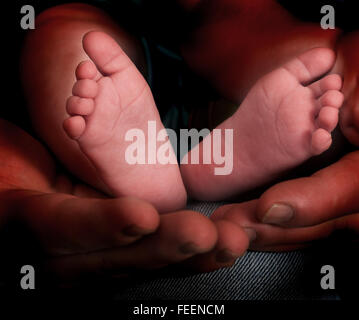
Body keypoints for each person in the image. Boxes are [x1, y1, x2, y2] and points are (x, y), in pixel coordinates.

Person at [1, 0, 357, 289]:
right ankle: (157, 164)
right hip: (132, 61)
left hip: (245, 88)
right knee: (66, 37)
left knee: (321, 78)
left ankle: (216, 155)